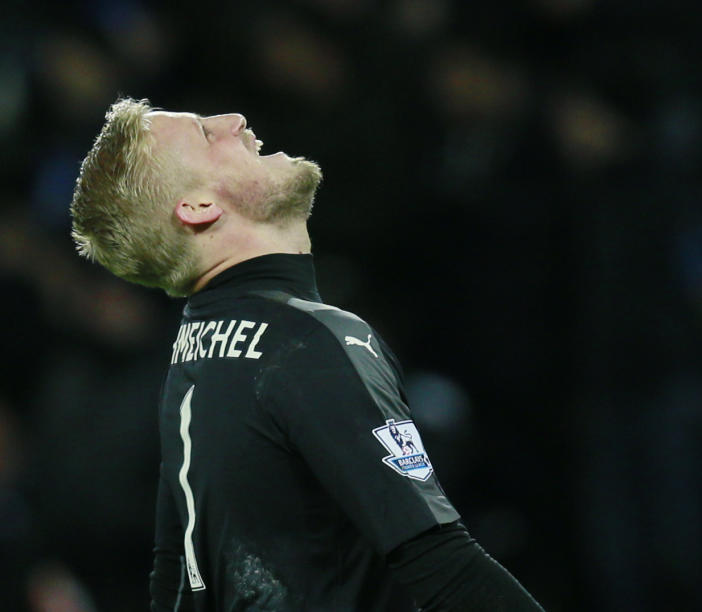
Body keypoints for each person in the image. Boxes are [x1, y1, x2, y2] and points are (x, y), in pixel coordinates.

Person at [70, 97, 545, 611]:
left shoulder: (194, 351)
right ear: (199, 207)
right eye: (208, 135)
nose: (235, 121)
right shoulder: (306, 342)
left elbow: (173, 580)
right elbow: (440, 566)